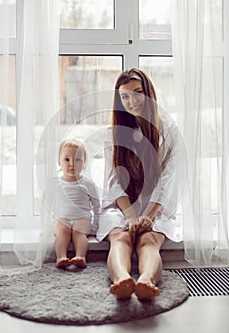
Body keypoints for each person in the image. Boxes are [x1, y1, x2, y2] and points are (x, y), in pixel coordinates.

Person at [97, 68, 187, 300]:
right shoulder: (113, 133)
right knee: (121, 237)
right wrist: (129, 215)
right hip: (122, 205)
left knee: (148, 241)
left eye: (137, 93)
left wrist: (147, 216)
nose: (131, 101)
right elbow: (114, 180)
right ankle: (123, 280)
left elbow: (169, 179)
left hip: (155, 205)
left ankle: (146, 280)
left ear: (148, 94)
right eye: (124, 96)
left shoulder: (169, 132)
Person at [53, 138, 100, 269]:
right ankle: (61, 257)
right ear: (59, 161)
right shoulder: (56, 184)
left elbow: (97, 207)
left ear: (84, 162)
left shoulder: (88, 184)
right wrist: (49, 226)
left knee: (79, 232)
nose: (72, 164)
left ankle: (81, 256)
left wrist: (95, 227)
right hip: (63, 218)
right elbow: (49, 206)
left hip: (82, 218)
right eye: (66, 160)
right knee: (63, 230)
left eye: (77, 160)